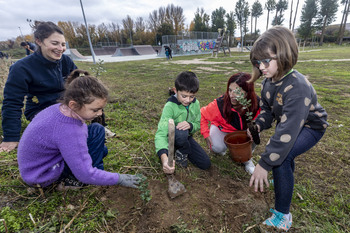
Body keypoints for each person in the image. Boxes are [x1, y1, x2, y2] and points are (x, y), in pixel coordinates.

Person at [248, 26, 328, 231]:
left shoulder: (298, 87)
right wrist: (258, 124)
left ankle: (283, 215)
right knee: (283, 157)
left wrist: (264, 163)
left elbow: (286, 133)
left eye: (266, 61)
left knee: (281, 158)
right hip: (290, 124)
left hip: (311, 126)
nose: (261, 67)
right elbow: (267, 110)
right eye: (258, 62)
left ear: (284, 54)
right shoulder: (268, 81)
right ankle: (285, 182)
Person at [17, 69, 141, 189]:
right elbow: (85, 174)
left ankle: (96, 171)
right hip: (43, 175)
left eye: (101, 109)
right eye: (95, 110)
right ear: (74, 105)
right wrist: (118, 178)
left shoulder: (59, 109)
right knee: (96, 146)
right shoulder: (70, 130)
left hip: (36, 168)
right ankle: (74, 181)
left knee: (98, 132)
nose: (100, 114)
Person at [0, 21, 77, 152]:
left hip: (65, 106)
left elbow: (79, 86)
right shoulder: (21, 68)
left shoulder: (66, 61)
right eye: (54, 43)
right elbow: (12, 102)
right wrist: (11, 137)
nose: (60, 48)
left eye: (63, 44)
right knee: (63, 132)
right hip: (40, 109)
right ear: (39, 42)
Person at [200, 72, 260, 174]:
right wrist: (205, 134)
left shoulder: (256, 103)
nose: (231, 95)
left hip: (244, 132)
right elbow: (202, 114)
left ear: (247, 92)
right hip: (223, 129)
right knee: (216, 147)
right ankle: (224, 148)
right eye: (230, 90)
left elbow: (264, 118)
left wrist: (257, 126)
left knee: (256, 133)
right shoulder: (220, 104)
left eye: (236, 91)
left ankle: (247, 159)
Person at [155, 71, 211, 174]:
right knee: (181, 132)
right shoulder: (170, 106)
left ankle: (181, 148)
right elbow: (161, 134)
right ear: (176, 91)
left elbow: (197, 124)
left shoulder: (195, 103)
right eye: (184, 96)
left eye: (192, 96)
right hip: (172, 137)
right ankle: (180, 150)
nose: (188, 100)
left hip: (186, 138)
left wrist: (190, 125)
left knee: (205, 163)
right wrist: (164, 158)